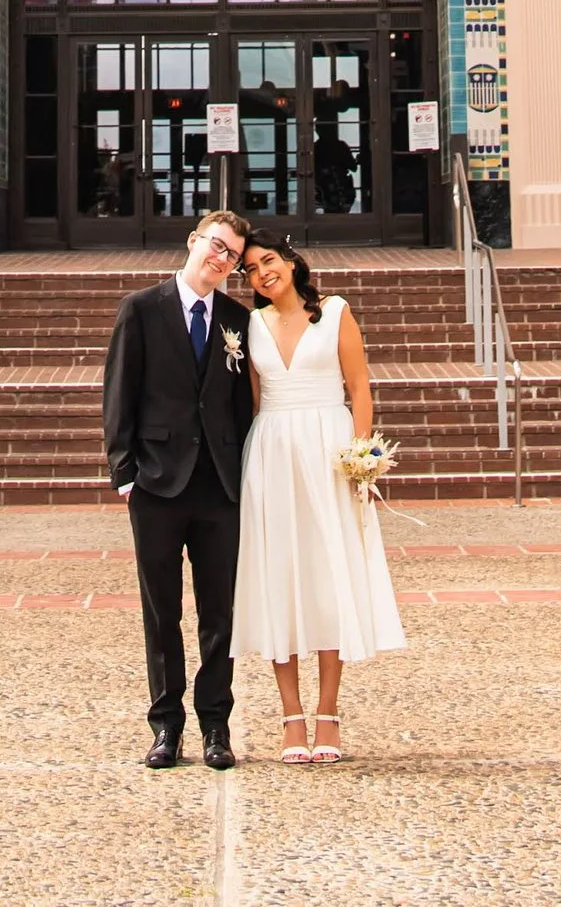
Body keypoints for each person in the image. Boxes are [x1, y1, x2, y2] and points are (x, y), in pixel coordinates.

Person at [234, 235, 407, 763]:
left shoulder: (333, 312)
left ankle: (327, 712)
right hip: (272, 453)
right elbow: (253, 400)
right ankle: (290, 715)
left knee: (329, 572)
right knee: (279, 574)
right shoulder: (250, 326)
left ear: (290, 262)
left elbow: (360, 388)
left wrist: (362, 459)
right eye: (250, 269)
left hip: (330, 451)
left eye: (269, 261)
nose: (262, 273)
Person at [100, 206, 255, 770]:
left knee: (221, 613)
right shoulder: (141, 310)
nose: (222, 260)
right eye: (216, 246)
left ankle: (217, 726)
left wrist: (245, 479)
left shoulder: (239, 320)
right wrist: (124, 474)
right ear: (193, 241)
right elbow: (119, 394)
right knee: (160, 612)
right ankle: (167, 726)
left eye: (233, 256)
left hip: (219, 488)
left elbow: (243, 409)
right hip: (156, 485)